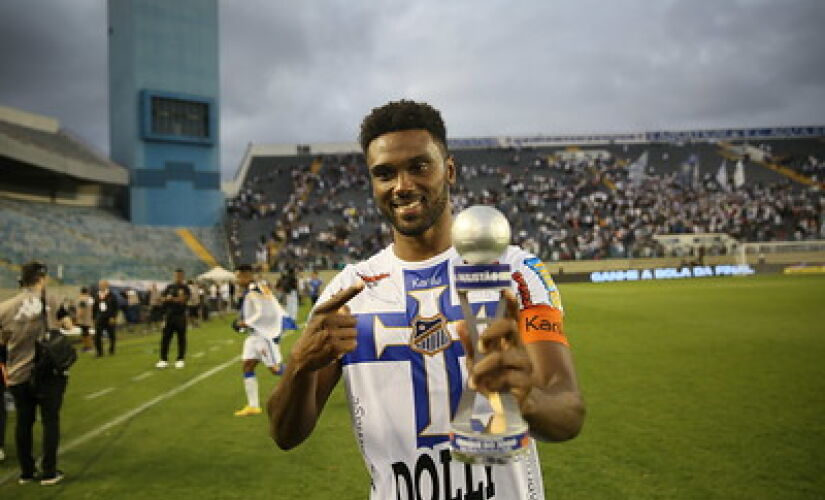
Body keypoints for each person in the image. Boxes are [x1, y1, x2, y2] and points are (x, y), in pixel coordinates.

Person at [268, 100, 585, 499]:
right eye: (385, 174)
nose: (402, 186)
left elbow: (568, 410)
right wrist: (298, 366)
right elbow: (285, 435)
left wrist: (528, 400)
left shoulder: (516, 273)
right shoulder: (347, 294)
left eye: (419, 166)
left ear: (448, 170)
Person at [0, 261, 71, 485]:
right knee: (50, 421)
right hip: (46, 372)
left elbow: (2, 341)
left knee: (23, 422)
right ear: (42, 278)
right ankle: (49, 471)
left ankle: (27, 472)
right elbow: (68, 326)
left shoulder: (4, 307)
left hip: (18, 372)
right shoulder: (51, 300)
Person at [232, 265, 285, 416]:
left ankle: (304, 378)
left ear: (247, 275)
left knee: (275, 369)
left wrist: (246, 322)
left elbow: (264, 310)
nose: (237, 279)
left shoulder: (256, 289)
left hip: (263, 335)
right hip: (253, 335)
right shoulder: (254, 288)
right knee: (248, 366)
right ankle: (253, 406)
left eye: (239, 276)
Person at [156, 269, 191, 369]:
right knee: (165, 338)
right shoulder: (169, 287)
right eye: (176, 276)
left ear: (183, 277)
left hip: (180, 316)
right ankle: (163, 359)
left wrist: (172, 299)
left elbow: (183, 300)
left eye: (179, 276)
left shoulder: (185, 288)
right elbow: (161, 298)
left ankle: (180, 359)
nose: (178, 277)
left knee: (181, 338)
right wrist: (167, 299)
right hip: (169, 316)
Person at [92, 280, 119, 357]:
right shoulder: (97, 295)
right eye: (100, 285)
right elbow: (95, 308)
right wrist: (94, 318)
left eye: (102, 285)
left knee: (111, 335)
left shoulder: (112, 295)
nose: (100, 286)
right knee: (97, 335)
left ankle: (111, 350)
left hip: (109, 317)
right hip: (100, 317)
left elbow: (116, 307)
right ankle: (99, 352)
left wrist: (113, 317)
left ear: (107, 285)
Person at [75, 287, 94, 352]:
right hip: (88, 318)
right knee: (87, 333)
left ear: (81, 292)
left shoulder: (82, 299)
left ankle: (87, 346)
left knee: (85, 334)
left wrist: (77, 317)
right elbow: (91, 308)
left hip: (83, 319)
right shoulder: (90, 299)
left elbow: (81, 310)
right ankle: (89, 346)